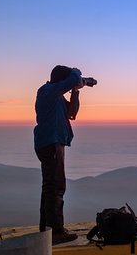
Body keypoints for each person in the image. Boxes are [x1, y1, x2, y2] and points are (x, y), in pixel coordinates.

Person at [34, 65, 85, 244]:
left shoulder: (55, 96)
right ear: (62, 80)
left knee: (49, 186)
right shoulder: (48, 91)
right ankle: (55, 232)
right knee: (56, 187)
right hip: (51, 144)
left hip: (51, 143)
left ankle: (46, 229)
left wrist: (75, 92)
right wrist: (76, 73)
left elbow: (72, 113)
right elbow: (74, 78)